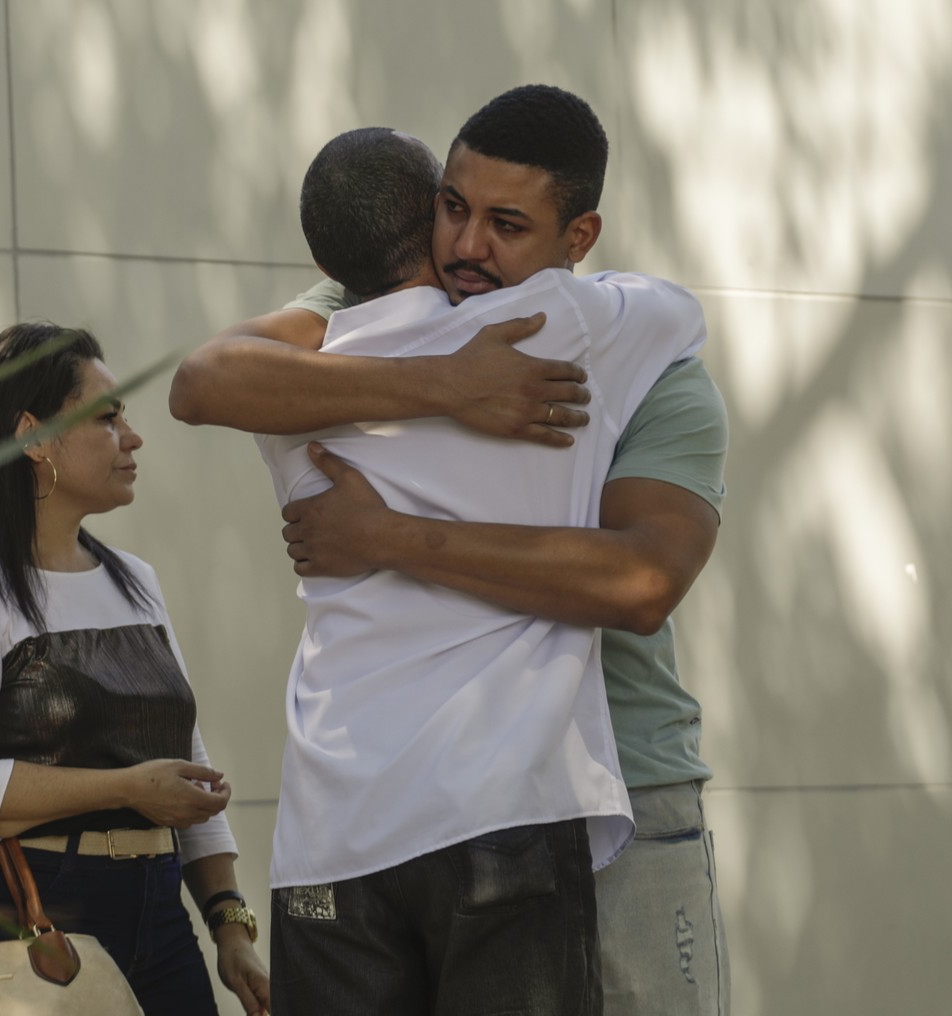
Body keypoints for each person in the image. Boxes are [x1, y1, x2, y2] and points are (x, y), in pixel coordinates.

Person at [172, 86, 729, 1016]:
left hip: (620, 776)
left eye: (506, 224)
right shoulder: (382, 297)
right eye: (453, 208)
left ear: (580, 236)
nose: (467, 247)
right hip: (427, 810)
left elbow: (642, 581)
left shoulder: (639, 362)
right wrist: (449, 384)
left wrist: (384, 537)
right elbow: (205, 381)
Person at [0, 323, 271, 1016]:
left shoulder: (135, 580)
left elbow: (187, 763)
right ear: (34, 439)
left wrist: (229, 923)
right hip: (25, 927)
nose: (133, 436)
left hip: (161, 918)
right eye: (107, 416)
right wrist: (128, 786)